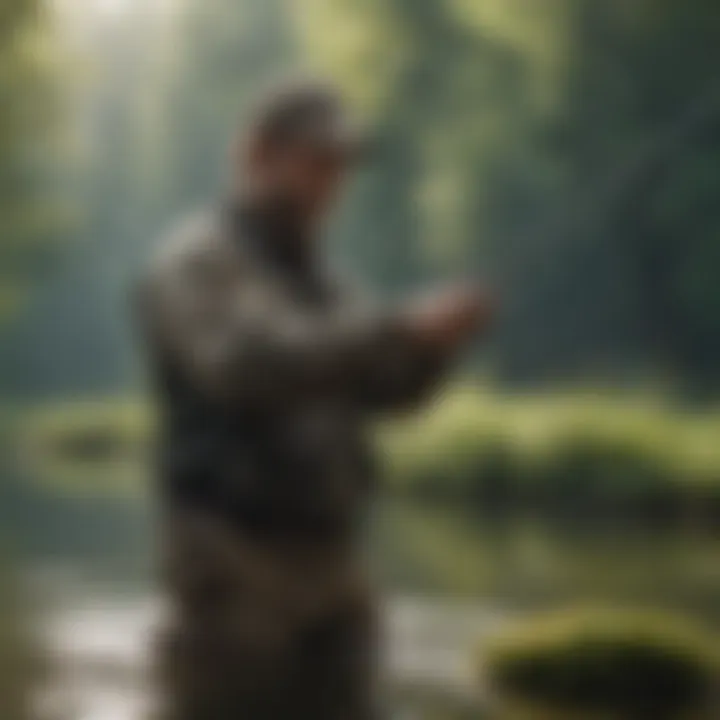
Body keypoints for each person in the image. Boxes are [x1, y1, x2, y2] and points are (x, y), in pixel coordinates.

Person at [138, 79, 493, 720]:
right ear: (257, 155)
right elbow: (242, 365)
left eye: (341, 166)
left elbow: (389, 395)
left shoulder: (331, 283)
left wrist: (437, 346)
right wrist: (394, 328)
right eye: (317, 160)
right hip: (231, 558)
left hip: (333, 563)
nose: (333, 181)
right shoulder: (195, 259)